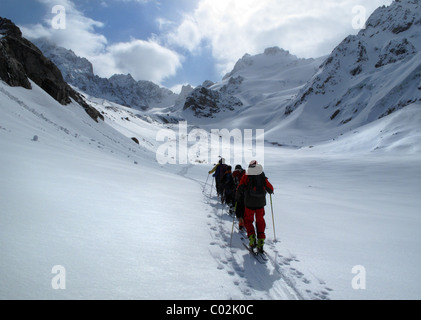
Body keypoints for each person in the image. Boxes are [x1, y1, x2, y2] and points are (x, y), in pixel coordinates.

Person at [236, 160, 274, 253]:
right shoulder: (262, 176)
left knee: (248, 220)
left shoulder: (246, 175)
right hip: (260, 203)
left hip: (249, 203)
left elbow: (239, 188)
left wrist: (237, 197)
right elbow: (271, 188)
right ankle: (261, 241)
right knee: (260, 220)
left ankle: (252, 238)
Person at [232, 165, 246, 231]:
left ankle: (241, 223)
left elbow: (233, 183)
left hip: (238, 193)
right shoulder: (245, 173)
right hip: (246, 194)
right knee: (244, 208)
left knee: (238, 208)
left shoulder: (235, 173)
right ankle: (245, 222)